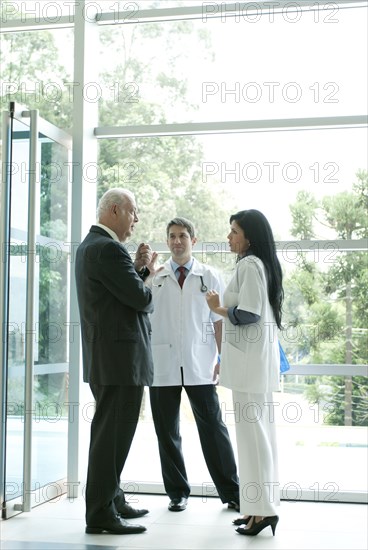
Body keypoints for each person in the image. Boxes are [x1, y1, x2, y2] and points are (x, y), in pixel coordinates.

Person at [75, 188, 155, 535]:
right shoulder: (108, 249)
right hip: (119, 360)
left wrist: (134, 268)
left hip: (108, 359)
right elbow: (140, 298)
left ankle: (112, 498)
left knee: (111, 433)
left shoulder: (91, 247)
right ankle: (101, 513)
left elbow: (115, 294)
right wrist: (147, 273)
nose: (136, 220)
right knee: (112, 436)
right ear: (116, 210)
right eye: (133, 213)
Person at [148, 217, 239, 512]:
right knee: (166, 430)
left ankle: (231, 491)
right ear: (168, 240)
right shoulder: (155, 276)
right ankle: (177, 492)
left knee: (213, 427)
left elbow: (218, 321)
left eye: (183, 236)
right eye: (172, 236)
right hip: (162, 363)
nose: (177, 241)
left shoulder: (209, 275)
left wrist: (222, 359)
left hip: (200, 362)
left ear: (193, 241)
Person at [206, 209, 283, 537]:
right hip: (253, 366)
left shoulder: (250, 265)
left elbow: (248, 313)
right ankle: (256, 510)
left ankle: (262, 511)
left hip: (250, 367)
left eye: (234, 231)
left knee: (254, 440)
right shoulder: (255, 265)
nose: (229, 237)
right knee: (256, 439)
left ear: (249, 236)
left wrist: (217, 308)